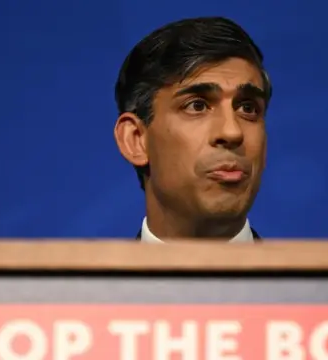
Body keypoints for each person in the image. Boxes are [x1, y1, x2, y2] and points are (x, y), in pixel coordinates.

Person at [113, 17, 272, 243]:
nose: (232, 132)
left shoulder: (316, 280)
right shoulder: (82, 280)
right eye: (197, 106)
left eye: (248, 108)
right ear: (136, 140)